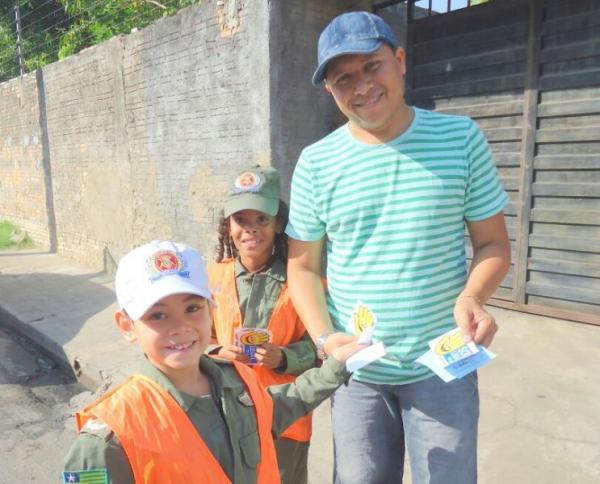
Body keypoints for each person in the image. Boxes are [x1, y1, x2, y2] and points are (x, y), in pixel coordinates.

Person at [285, 11, 511, 484]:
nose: (362, 86)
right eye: (343, 78)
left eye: (372, 66)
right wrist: (327, 341)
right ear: (330, 90)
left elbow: (492, 243)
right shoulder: (316, 164)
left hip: (441, 366)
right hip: (358, 374)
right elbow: (302, 268)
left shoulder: (460, 139)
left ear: (400, 60)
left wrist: (472, 297)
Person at [62, 240, 363, 484]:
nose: (180, 326)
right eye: (158, 315)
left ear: (211, 310)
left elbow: (283, 405)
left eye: (192, 308)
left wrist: (335, 365)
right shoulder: (109, 436)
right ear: (127, 326)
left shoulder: (238, 382)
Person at [207, 165, 318, 484]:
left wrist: (284, 358)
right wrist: (216, 350)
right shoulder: (211, 278)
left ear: (279, 224)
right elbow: (192, 338)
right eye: (241, 220)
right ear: (228, 226)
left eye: (262, 220)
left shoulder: (304, 282)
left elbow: (322, 347)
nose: (250, 230)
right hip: (225, 412)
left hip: (285, 416)